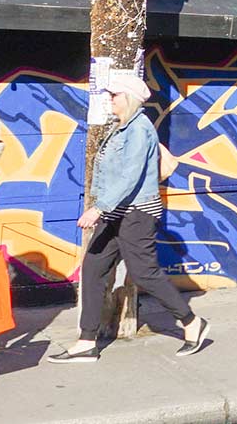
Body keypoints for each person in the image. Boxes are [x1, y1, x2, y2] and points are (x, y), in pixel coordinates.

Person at [48, 72, 208, 362]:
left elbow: (130, 176)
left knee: (145, 272)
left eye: (115, 95)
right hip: (117, 212)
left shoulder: (139, 129)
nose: (110, 100)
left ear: (129, 99)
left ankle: (191, 322)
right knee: (93, 267)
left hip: (136, 213)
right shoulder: (121, 127)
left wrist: (98, 208)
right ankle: (87, 341)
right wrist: (101, 204)